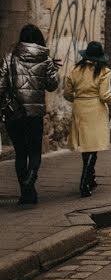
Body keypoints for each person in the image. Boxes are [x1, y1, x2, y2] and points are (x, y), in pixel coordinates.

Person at [0, 25, 60, 205]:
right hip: (35, 114)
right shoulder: (46, 59)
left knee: (20, 152)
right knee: (34, 150)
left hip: (15, 114)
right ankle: (30, 180)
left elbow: (1, 85)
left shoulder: (10, 56)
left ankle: (25, 193)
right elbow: (52, 85)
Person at [63, 41, 111, 197]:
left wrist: (79, 99)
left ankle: (91, 178)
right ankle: (84, 181)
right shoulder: (104, 71)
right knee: (93, 147)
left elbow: (67, 94)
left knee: (85, 145)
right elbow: (104, 95)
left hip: (79, 108)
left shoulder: (74, 69)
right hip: (95, 109)